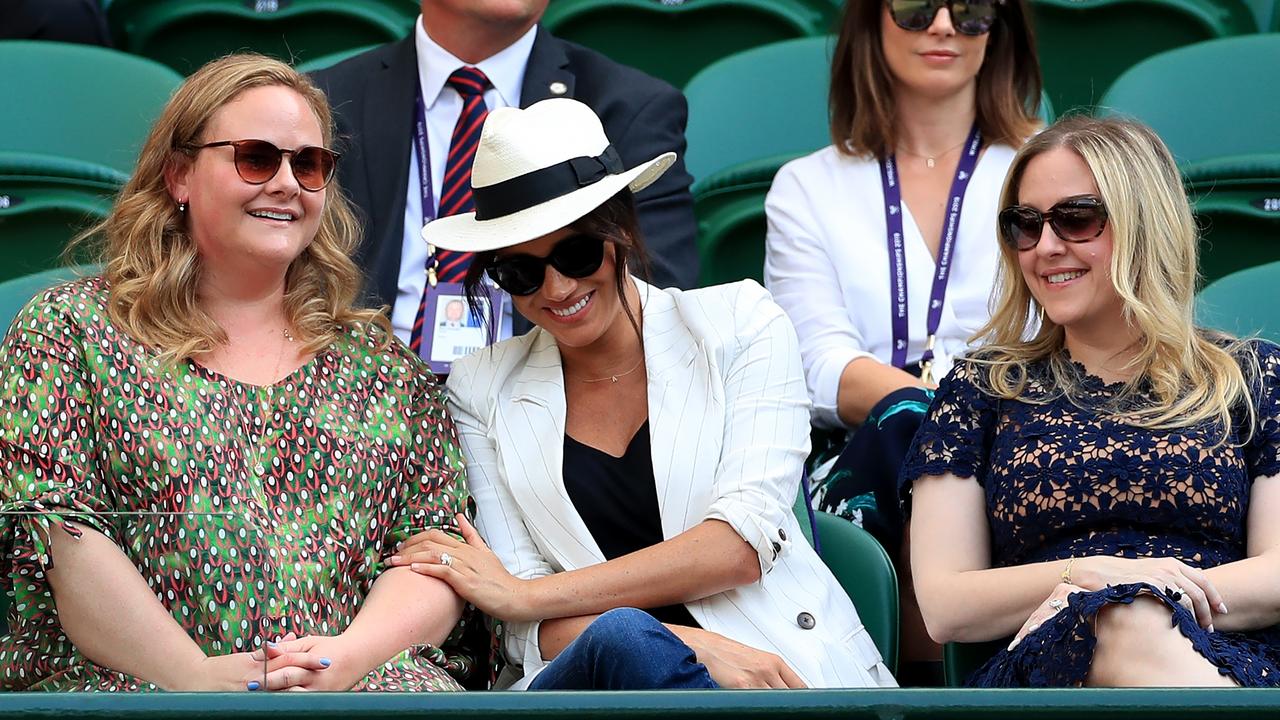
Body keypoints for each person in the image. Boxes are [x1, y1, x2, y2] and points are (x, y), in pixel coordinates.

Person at [382, 97, 896, 690]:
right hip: (595, 689)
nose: (557, 288)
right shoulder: (481, 386)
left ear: (621, 229)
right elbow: (527, 634)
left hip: (771, 666)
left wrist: (524, 594)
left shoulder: (741, 322)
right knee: (626, 641)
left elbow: (737, 546)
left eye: (576, 253)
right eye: (520, 272)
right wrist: (680, 643)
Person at [0, 54, 470, 692]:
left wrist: (344, 663)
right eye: (256, 158)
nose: (286, 184)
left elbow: (436, 552)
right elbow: (60, 536)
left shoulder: (382, 364)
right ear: (180, 175)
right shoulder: (71, 332)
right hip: (138, 688)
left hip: (357, 691)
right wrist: (196, 680)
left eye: (309, 165)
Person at [901, 116, 1280, 687]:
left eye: (1076, 219)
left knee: (1135, 615)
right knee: (1124, 617)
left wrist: (1150, 589)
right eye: (1024, 225)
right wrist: (1092, 576)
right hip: (1048, 664)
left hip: (1228, 652)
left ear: (1143, 223)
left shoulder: (1251, 377)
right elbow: (945, 603)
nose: (1046, 247)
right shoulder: (982, 388)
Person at [763, 0, 1041, 681]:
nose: (944, 25)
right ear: (870, 19)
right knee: (909, 425)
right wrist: (948, 414)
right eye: (917, 6)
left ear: (1000, 24)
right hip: (864, 450)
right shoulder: (807, 187)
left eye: (971, 8)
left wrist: (973, 421)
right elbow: (819, 365)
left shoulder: (1049, 169)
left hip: (1023, 436)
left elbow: (1066, 339)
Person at [311, 0, 698, 350]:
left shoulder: (628, 106)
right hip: (361, 401)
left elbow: (657, 299)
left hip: (547, 401)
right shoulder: (324, 101)